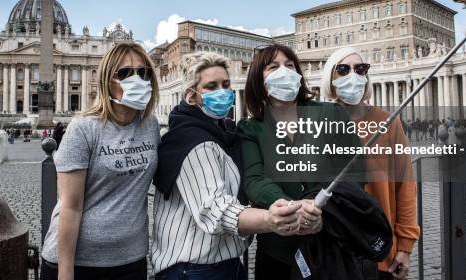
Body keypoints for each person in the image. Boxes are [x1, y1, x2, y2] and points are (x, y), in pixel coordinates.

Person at [152, 52, 306, 279]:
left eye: (225, 84)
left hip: (223, 263)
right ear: (191, 96)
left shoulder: (225, 133)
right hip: (194, 268)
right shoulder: (194, 142)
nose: (222, 92)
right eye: (211, 86)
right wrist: (270, 219)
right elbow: (216, 210)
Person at [238, 44, 362, 279]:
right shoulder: (250, 128)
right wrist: (291, 208)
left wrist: (324, 213)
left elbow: (353, 172)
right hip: (277, 252)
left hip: (331, 243)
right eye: (273, 67)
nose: (284, 71)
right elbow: (255, 178)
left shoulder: (333, 114)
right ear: (258, 79)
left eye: (290, 65)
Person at [41, 42, 160, 280]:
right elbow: (70, 208)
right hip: (80, 263)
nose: (136, 79)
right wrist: (66, 274)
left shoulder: (151, 125)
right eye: (125, 73)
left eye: (143, 72)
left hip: (131, 258)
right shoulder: (83, 129)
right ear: (108, 81)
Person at [321, 47, 420, 280]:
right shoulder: (318, 122)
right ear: (330, 77)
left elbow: (404, 185)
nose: (353, 75)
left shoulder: (388, 122)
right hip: (333, 249)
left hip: (379, 246)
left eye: (360, 69)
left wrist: (405, 247)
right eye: (343, 70)